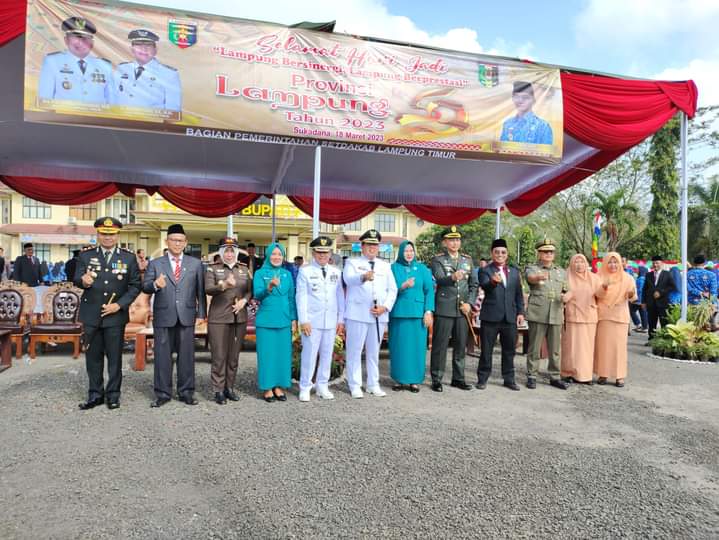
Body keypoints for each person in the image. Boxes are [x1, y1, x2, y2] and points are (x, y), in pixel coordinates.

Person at [75, 217, 140, 410]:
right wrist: (83, 281)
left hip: (115, 315)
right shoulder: (85, 256)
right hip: (91, 315)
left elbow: (135, 285)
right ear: (98, 234)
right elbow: (77, 278)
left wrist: (119, 305)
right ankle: (95, 394)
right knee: (93, 358)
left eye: (111, 234)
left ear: (118, 235)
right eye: (104, 234)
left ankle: (113, 395)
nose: (108, 238)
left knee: (114, 358)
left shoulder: (128, 257)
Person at [143, 224, 207, 407]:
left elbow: (200, 292)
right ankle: (162, 393)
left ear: (186, 242)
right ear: (167, 241)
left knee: (186, 356)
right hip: (163, 316)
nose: (177, 243)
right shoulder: (155, 264)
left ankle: (186, 392)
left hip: (187, 315)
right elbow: (145, 286)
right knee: (162, 356)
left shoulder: (195, 264)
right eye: (173, 240)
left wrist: (201, 313)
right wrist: (155, 284)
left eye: (180, 240)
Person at [342, 229, 398, 398]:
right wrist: (363, 277)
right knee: (354, 351)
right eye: (369, 245)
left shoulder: (385, 265)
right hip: (357, 314)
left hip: (378, 315)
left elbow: (392, 290)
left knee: (374, 352)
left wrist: (385, 307)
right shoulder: (352, 263)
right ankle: (355, 385)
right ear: (362, 246)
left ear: (378, 247)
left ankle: (373, 384)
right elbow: (348, 280)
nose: (372, 248)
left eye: (375, 245)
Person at [429, 225, 478, 392]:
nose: (455, 243)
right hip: (444, 307)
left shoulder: (467, 260)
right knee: (440, 345)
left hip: (462, 310)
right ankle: (436, 378)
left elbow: (474, 285)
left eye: (457, 239)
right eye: (451, 240)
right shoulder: (438, 260)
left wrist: (469, 304)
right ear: (445, 242)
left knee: (460, 345)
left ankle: (458, 378)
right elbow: (439, 279)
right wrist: (452, 277)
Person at [296, 236, 344, 402]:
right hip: (312, 321)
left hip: (330, 320)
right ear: (313, 253)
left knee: (326, 354)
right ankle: (305, 386)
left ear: (330, 253)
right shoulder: (305, 271)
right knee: (309, 354)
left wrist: (341, 319)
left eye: (325, 252)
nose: (322, 255)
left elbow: (340, 297)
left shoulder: (336, 272)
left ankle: (322, 385)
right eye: (319, 252)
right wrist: (304, 320)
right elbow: (300, 297)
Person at [205, 237, 252, 404]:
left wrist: (244, 301)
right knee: (219, 356)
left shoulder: (244, 269)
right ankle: (218, 390)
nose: (230, 254)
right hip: (218, 318)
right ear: (221, 252)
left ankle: (229, 388)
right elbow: (208, 289)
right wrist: (224, 285)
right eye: (226, 250)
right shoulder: (212, 269)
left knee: (233, 357)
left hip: (239, 318)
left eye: (233, 250)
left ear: (237, 252)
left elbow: (249, 290)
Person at [476, 238, 525, 391]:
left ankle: (509, 379)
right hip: (490, 316)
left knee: (509, 350)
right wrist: (493, 282)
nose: (500, 255)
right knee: (486, 350)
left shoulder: (514, 272)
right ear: (492, 253)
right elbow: (484, 286)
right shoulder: (485, 270)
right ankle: (482, 379)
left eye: (503, 252)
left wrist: (520, 312)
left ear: (507, 254)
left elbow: (518, 294)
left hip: (509, 317)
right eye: (497, 252)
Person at [253, 243, 297, 402]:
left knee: (282, 355)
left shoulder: (287, 274)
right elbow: (257, 295)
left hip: (284, 320)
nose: (277, 257)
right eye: (274, 254)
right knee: (267, 355)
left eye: (280, 254)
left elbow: (291, 298)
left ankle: (278, 386)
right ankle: (267, 387)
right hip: (266, 320)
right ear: (268, 255)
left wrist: (293, 319)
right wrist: (269, 287)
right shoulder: (260, 273)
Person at [524, 238, 570, 390]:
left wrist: (567, 295)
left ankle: (555, 376)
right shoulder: (532, 268)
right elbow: (530, 278)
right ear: (539, 253)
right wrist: (538, 277)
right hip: (538, 312)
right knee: (534, 347)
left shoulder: (561, 271)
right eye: (545, 251)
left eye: (551, 251)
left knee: (555, 348)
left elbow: (566, 289)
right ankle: (532, 375)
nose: (548, 254)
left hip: (556, 313)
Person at [389, 240, 434, 393]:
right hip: (399, 313)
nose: (409, 254)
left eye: (411, 251)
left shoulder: (422, 269)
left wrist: (428, 311)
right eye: (406, 251)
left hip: (418, 314)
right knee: (399, 347)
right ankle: (399, 379)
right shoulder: (393, 268)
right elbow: (388, 289)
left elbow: (429, 291)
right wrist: (403, 286)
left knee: (417, 349)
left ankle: (415, 380)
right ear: (400, 252)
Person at [37, 17, 113, 104]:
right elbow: (44, 98)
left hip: (97, 116)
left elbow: (111, 101)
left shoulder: (105, 65)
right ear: (66, 40)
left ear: (92, 43)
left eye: (86, 37)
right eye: (76, 37)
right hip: (63, 116)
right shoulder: (52, 61)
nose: (81, 42)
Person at [594, 252, 637, 387]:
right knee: (603, 347)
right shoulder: (598, 277)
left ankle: (620, 376)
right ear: (605, 263)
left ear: (620, 263)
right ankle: (603, 374)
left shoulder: (628, 278)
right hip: (604, 316)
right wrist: (604, 286)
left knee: (619, 348)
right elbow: (596, 295)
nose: (613, 265)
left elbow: (633, 297)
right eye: (610, 262)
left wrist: (631, 294)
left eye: (616, 262)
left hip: (620, 316)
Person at [114, 29, 182, 112]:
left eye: (148, 45)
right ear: (132, 49)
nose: (144, 49)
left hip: (151, 123)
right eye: (139, 45)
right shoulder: (122, 68)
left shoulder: (170, 74)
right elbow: (112, 97)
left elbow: (173, 110)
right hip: (121, 120)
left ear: (155, 50)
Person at [561, 254, 602, 384]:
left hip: (589, 317)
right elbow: (559, 292)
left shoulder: (594, 279)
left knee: (586, 348)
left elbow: (600, 294)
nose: (579, 265)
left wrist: (605, 287)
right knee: (570, 346)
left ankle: (585, 375)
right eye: (576, 262)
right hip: (572, 316)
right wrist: (564, 296)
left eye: (582, 262)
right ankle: (568, 373)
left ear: (586, 264)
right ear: (572, 264)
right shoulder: (566, 277)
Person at [642, 256, 676, 340]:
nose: (655, 265)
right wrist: (643, 301)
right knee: (651, 322)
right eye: (653, 263)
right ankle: (651, 339)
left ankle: (663, 340)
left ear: (662, 263)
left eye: (657, 263)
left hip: (663, 303)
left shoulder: (667, 274)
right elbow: (645, 289)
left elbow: (672, 287)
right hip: (651, 303)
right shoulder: (648, 275)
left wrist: (661, 292)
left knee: (664, 322)